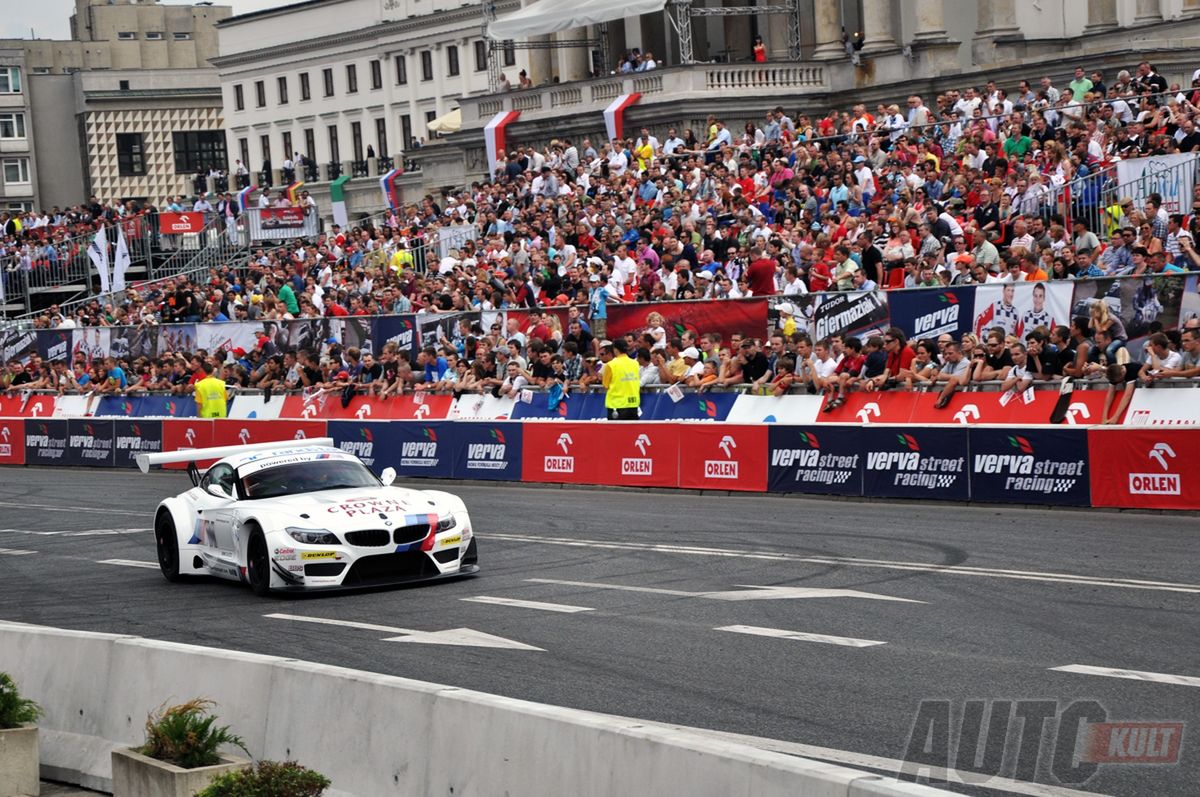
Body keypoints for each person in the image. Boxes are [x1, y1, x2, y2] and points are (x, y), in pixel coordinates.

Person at [602, 338, 640, 420]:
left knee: (617, 432)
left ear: (615, 349)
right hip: (633, 404)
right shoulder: (635, 363)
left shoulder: (610, 365)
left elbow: (605, 385)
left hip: (616, 405)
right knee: (632, 431)